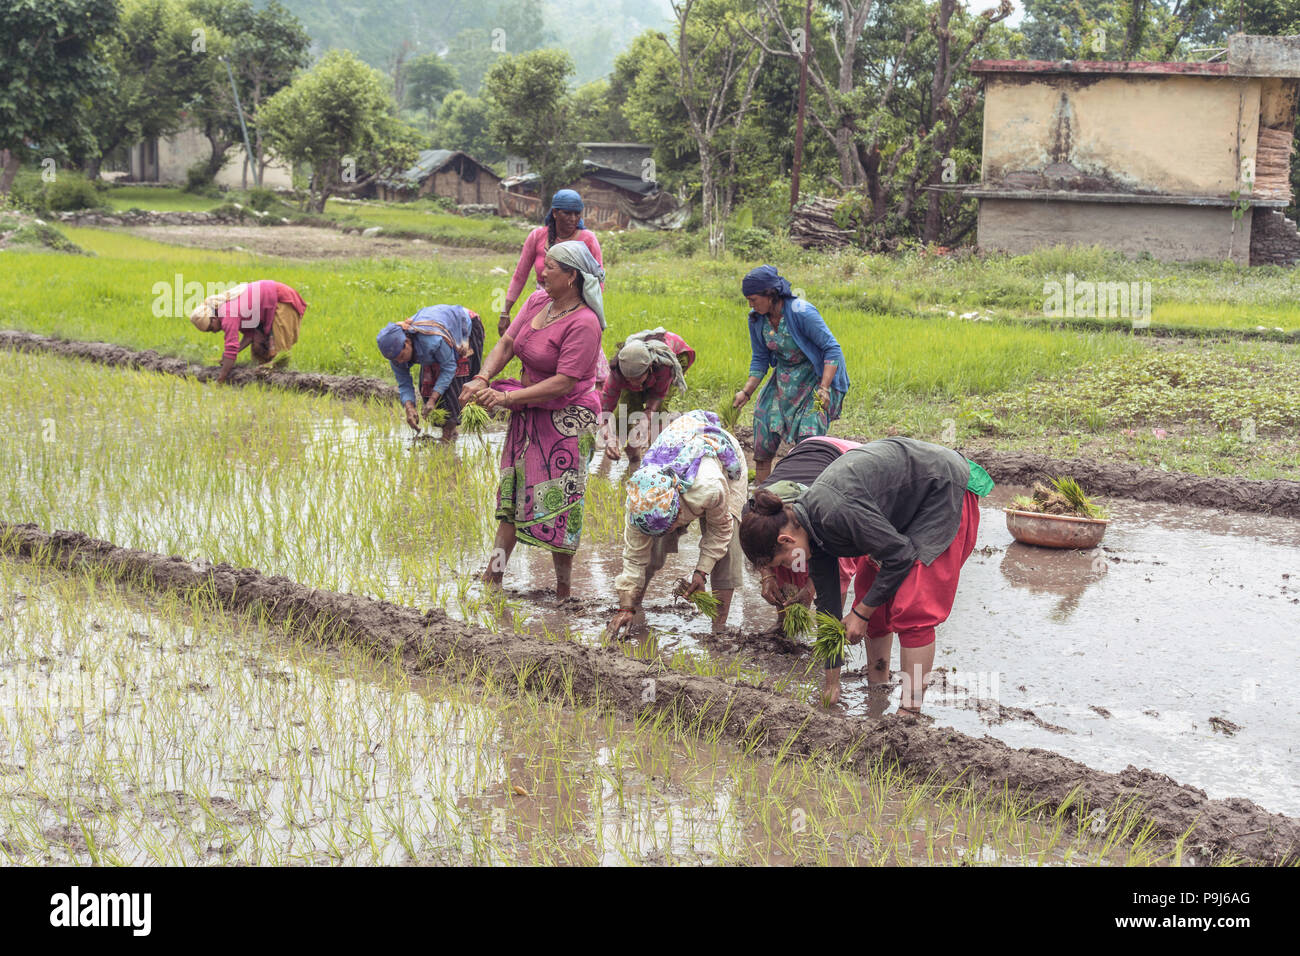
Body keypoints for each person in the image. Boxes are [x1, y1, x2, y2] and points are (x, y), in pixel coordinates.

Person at [738, 437, 994, 713]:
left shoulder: (834, 512)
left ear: (787, 540)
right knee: (872, 592)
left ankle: (909, 712)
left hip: (941, 491)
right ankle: (878, 690)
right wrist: (831, 684)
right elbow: (829, 611)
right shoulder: (812, 529)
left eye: (783, 562)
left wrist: (860, 614)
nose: (789, 568)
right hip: (898, 514)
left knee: (914, 610)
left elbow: (900, 556)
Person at [462, 240, 605, 598]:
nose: (542, 272)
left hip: (567, 420)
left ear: (572, 276)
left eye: (551, 267)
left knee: (562, 502)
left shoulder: (585, 323)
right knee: (510, 498)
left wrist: (506, 397)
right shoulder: (538, 301)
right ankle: (493, 576)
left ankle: (563, 591)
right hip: (528, 411)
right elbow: (508, 344)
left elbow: (564, 382)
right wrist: (482, 378)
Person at [606, 409, 747, 638]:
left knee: (727, 551)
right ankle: (635, 608)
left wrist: (701, 572)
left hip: (721, 455)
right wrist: (625, 605)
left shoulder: (708, 489)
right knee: (652, 551)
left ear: (678, 509)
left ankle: (718, 630)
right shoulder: (640, 500)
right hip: (677, 451)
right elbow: (633, 556)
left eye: (670, 526)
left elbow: (720, 531)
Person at [732, 266, 849, 483]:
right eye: (748, 299)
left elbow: (832, 349)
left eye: (754, 299)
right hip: (784, 380)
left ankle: (806, 497)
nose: (750, 304)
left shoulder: (801, 312)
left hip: (816, 380)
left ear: (770, 294)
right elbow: (760, 359)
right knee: (763, 426)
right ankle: (761, 498)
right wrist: (746, 392)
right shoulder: (757, 320)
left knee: (809, 437)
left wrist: (824, 389)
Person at [500, 189, 609, 388]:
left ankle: (586, 393)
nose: (573, 218)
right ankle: (535, 388)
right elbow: (520, 274)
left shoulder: (587, 239)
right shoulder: (537, 237)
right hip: (542, 302)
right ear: (555, 213)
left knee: (576, 354)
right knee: (535, 348)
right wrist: (505, 311)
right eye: (567, 213)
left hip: (575, 302)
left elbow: (597, 280)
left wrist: (586, 313)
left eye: (577, 213)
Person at [376, 305, 485, 441]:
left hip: (464, 325)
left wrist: (433, 399)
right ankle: (451, 433)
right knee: (427, 386)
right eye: (394, 359)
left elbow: (449, 367)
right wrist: (409, 407)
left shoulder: (432, 340)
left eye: (401, 355)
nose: (399, 361)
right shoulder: (396, 356)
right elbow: (404, 383)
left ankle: (447, 437)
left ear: (408, 342)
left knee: (456, 383)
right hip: (433, 342)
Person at [598, 328, 695, 467]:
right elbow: (605, 410)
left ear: (649, 368)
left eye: (637, 379)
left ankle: (657, 457)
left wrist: (646, 418)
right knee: (625, 409)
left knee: (659, 414)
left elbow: (657, 396)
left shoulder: (663, 368)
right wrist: (609, 439)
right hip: (638, 365)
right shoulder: (617, 373)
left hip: (677, 353)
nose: (633, 384)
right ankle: (634, 456)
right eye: (628, 380)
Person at [189, 279, 307, 384]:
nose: (214, 332)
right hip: (266, 307)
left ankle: (285, 384)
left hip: (281, 300)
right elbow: (250, 335)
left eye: (211, 328)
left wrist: (221, 379)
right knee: (259, 351)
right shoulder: (225, 311)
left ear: (213, 318)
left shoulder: (228, 315)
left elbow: (231, 349)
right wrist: (230, 355)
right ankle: (266, 386)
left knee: (279, 354)